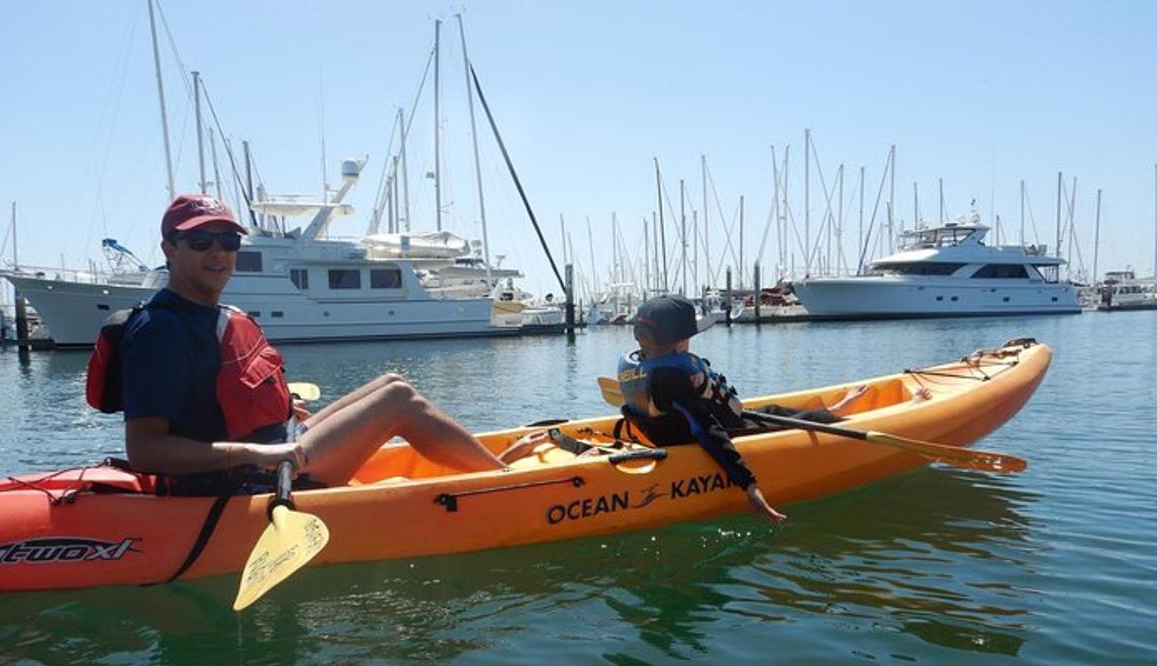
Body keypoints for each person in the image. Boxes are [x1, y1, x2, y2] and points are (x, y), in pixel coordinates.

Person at [110, 194, 539, 495]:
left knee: (391, 381)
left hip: (282, 444)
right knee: (398, 401)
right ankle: (507, 482)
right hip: (254, 475)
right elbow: (146, 450)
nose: (218, 252)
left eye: (229, 241)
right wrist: (255, 452)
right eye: (200, 242)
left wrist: (279, 414)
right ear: (169, 248)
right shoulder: (160, 331)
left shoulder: (211, 315)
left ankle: (486, 468)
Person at [616, 296, 875, 524]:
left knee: (773, 409)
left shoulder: (641, 365)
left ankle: (837, 408)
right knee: (812, 420)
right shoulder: (670, 378)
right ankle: (845, 416)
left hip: (707, 424)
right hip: (729, 434)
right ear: (680, 340)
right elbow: (705, 429)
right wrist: (749, 484)